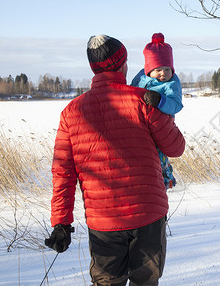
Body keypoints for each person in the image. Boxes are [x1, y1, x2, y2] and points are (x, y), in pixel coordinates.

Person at [44, 34, 185, 286]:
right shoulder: (143, 100)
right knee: (145, 282)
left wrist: (62, 223)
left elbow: (62, 173)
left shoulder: (71, 113)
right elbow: (176, 147)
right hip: (148, 217)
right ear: (122, 65)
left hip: (104, 222)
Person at [131, 32, 183, 189]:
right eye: (159, 70)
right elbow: (132, 91)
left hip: (160, 124)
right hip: (139, 123)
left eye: (167, 69)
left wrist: (161, 101)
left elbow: (176, 105)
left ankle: (164, 179)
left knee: (159, 155)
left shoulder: (172, 83)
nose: (164, 74)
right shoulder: (141, 78)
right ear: (149, 69)